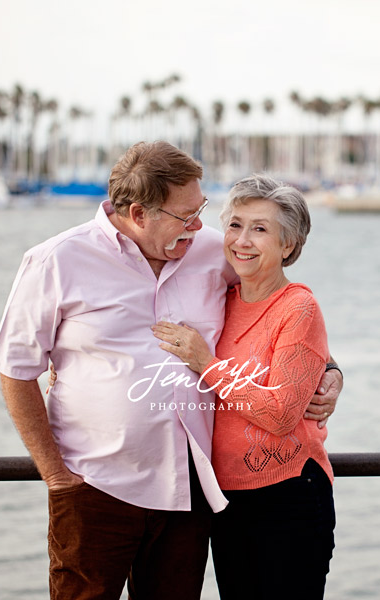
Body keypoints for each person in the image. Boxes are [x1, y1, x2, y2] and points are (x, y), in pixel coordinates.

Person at [0, 142, 342, 600]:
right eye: (185, 216)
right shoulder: (56, 260)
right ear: (139, 213)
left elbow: (280, 312)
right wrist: (56, 476)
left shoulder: (215, 253)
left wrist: (331, 371)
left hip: (187, 493)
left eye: (201, 211)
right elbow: (16, 371)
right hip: (95, 488)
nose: (201, 226)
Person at [152, 173, 336, 599]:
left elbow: (281, 414)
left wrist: (205, 363)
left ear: (287, 245)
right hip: (226, 500)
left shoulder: (299, 307)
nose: (242, 240)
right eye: (235, 225)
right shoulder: (222, 298)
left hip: (289, 495)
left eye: (260, 229)